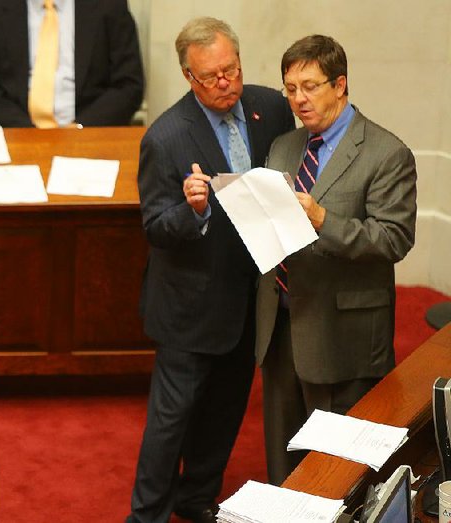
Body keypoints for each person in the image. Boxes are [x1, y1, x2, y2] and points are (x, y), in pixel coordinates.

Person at [127, 17, 294, 523]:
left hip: (252, 299)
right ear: (188, 77)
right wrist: (194, 210)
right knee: (169, 423)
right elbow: (155, 227)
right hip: (190, 306)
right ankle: (147, 514)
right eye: (211, 77)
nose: (226, 83)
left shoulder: (271, 107)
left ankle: (197, 498)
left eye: (231, 70)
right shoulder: (166, 137)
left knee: (225, 412)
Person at [257, 34, 417, 485]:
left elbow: (394, 239)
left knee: (339, 474)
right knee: (284, 468)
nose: (298, 99)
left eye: (310, 86)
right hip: (281, 326)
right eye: (290, 89)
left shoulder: (387, 153)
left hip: (343, 335)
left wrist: (322, 218)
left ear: (340, 84)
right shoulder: (284, 147)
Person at [0, 0, 144, 128]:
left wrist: (80, 128)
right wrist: (29, 132)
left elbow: (128, 86)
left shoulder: (110, 6)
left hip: (89, 132)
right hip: (19, 132)